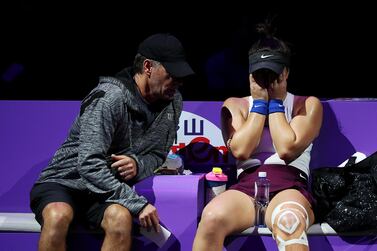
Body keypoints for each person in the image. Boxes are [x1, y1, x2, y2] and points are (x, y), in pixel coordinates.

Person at [30, 33, 194, 251]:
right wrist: (137, 203)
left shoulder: (173, 102)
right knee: (58, 214)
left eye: (181, 76)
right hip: (66, 181)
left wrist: (137, 163)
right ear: (148, 67)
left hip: (105, 191)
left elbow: (157, 155)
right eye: (172, 75)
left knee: (120, 219)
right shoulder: (109, 98)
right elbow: (89, 163)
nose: (178, 82)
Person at [193, 21, 323, 251]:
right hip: (246, 188)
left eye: (273, 73)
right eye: (260, 74)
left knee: (289, 222)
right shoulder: (236, 105)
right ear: (250, 74)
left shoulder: (306, 105)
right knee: (211, 217)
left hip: (288, 186)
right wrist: (259, 105)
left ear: (286, 72)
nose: (267, 80)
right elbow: (241, 150)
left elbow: (286, 149)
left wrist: (275, 103)